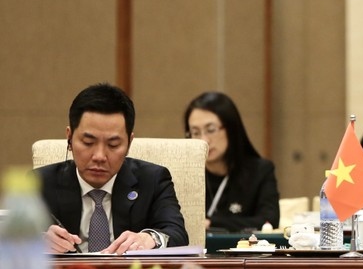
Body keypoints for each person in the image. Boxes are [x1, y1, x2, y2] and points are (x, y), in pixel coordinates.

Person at [39, 83, 188, 253]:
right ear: (70, 137)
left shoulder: (153, 180)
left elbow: (177, 234)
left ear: (129, 143)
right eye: (88, 142)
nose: (99, 156)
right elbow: (16, 238)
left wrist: (149, 238)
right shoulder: (40, 182)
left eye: (113, 144)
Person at [184, 91, 280, 232]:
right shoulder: (185, 175)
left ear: (231, 129)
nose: (204, 140)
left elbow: (269, 221)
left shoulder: (259, 171)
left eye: (211, 130)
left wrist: (212, 223)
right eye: (196, 133)